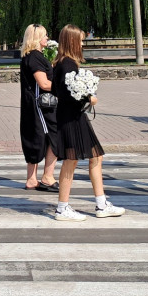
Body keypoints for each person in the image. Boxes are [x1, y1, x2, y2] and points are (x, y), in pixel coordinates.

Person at [51, 25, 125, 221]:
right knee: (72, 160)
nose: (83, 43)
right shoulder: (68, 64)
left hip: (71, 116)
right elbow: (67, 94)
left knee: (94, 157)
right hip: (71, 117)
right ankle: (63, 208)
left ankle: (100, 204)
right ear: (72, 41)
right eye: (81, 40)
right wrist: (88, 98)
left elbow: (57, 90)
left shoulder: (61, 63)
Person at [18, 24, 60, 193]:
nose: (47, 38)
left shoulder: (31, 56)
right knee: (53, 136)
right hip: (41, 105)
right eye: (44, 36)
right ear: (36, 38)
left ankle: (31, 179)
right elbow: (43, 83)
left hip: (33, 104)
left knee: (35, 138)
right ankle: (47, 177)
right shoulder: (35, 57)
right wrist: (65, 87)